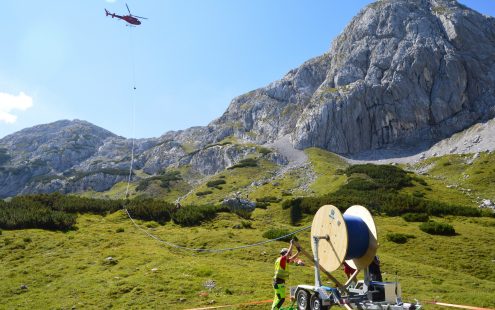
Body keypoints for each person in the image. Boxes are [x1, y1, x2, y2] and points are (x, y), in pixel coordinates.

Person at [272, 239, 300, 310]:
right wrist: (291, 244)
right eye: (288, 254)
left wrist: (298, 252)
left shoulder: (282, 260)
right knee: (282, 299)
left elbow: (292, 259)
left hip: (279, 282)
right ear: (284, 253)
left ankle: (274, 308)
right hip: (278, 282)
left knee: (278, 298)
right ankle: (275, 309)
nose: (289, 255)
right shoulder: (282, 259)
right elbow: (288, 255)